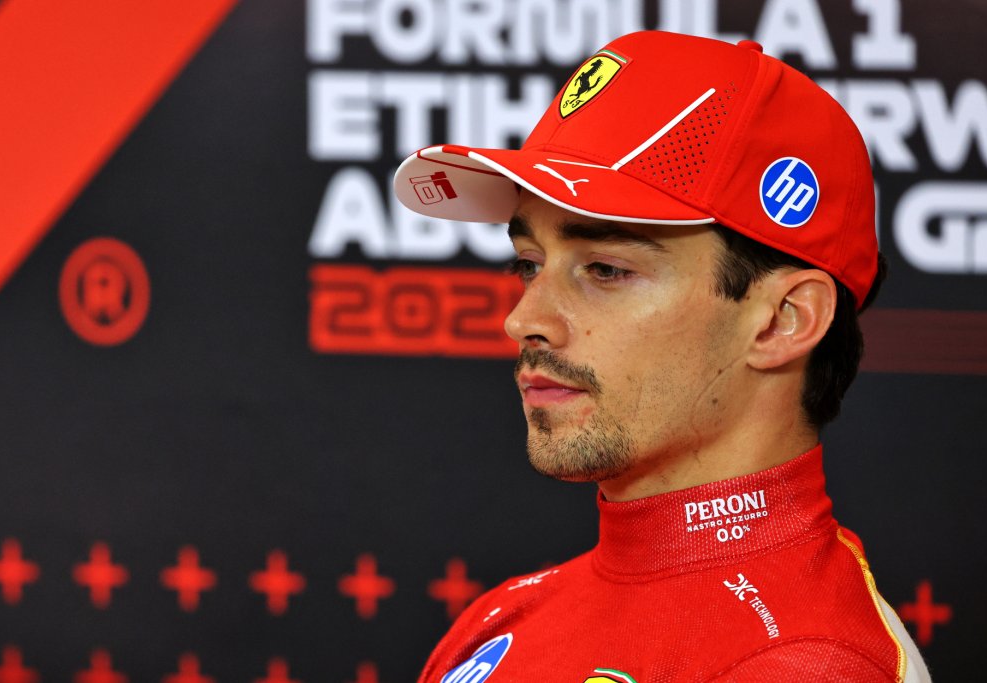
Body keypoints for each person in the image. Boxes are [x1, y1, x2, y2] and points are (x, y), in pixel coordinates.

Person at [394, 31, 931, 683]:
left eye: (605, 268)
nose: (523, 319)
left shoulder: (804, 664)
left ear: (783, 320)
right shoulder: (505, 618)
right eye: (528, 264)